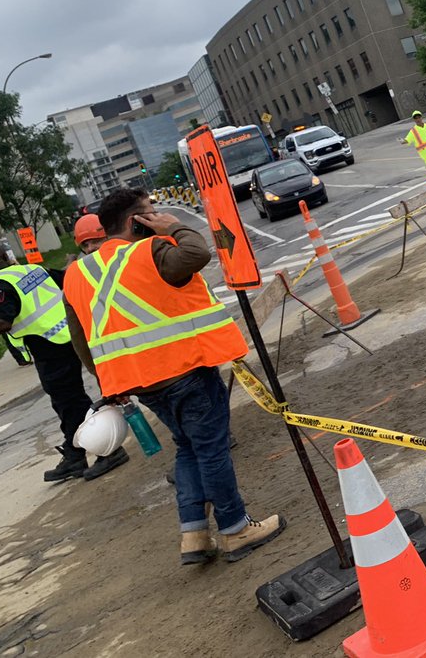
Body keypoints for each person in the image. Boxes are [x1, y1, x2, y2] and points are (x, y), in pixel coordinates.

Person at [64, 189, 284, 565]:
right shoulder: (150, 252)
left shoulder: (77, 273)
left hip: (141, 383)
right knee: (211, 450)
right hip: (186, 371)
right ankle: (235, 530)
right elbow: (198, 254)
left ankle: (195, 535)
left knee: (187, 449)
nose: (157, 216)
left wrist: (107, 382)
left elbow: (80, 339)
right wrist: (176, 226)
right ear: (135, 220)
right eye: (151, 212)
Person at [0, 244, 129, 482]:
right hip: (71, 336)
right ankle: (75, 454)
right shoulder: (30, 270)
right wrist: (70, 260)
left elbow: (2, 322)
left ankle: (109, 450)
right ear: (6, 256)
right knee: (67, 401)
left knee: (70, 401)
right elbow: (64, 278)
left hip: (49, 345)